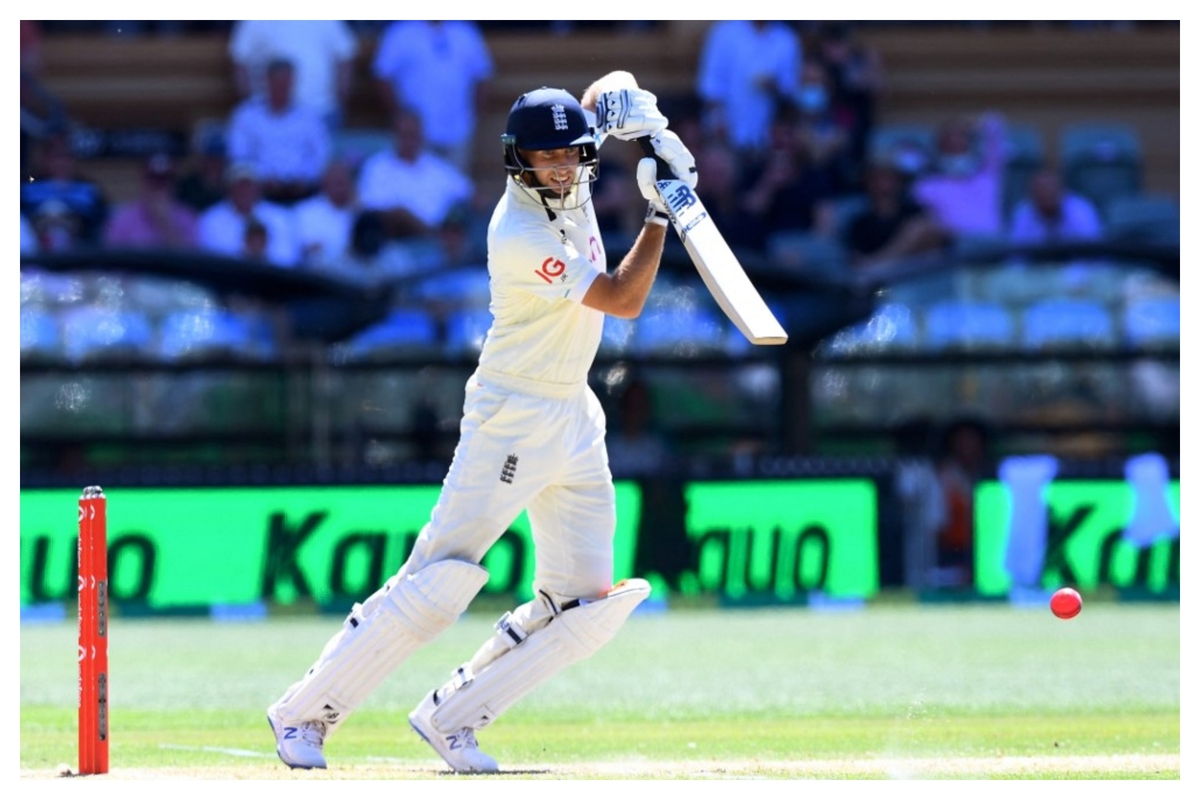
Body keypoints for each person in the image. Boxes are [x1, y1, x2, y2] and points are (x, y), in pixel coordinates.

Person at [267, 71, 689, 773]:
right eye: (544, 160)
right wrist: (661, 212)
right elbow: (621, 299)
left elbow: (594, 100)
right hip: (512, 414)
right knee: (440, 580)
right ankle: (302, 716)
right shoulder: (519, 228)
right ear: (517, 163)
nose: (558, 170)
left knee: (584, 605)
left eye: (569, 157)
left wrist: (639, 120)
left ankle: (452, 719)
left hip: (575, 412)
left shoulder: (574, 170)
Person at [371, 20, 494, 173]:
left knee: (456, 189)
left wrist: (473, 117)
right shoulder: (400, 32)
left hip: (458, 131)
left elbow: (483, 75)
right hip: (416, 135)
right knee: (420, 188)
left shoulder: (465, 32)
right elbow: (382, 75)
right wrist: (400, 119)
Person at [356, 107, 476, 241]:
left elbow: (470, 195)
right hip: (391, 237)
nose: (408, 141)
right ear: (394, 135)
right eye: (404, 135)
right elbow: (370, 209)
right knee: (399, 214)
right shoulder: (376, 166)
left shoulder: (439, 168)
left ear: (421, 137)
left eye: (412, 135)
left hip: (437, 239)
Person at [226, 57, 332, 205]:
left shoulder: (310, 117)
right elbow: (239, 156)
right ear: (266, 82)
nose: (282, 87)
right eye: (277, 82)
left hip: (305, 194)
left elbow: (320, 157)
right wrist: (263, 177)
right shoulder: (246, 116)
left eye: (286, 82)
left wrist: (304, 177)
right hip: (259, 196)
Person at [694, 20, 803, 160]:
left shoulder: (786, 38)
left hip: (768, 139)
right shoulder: (724, 33)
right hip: (725, 134)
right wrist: (717, 121)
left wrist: (774, 86)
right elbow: (710, 87)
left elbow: (791, 89)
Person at [228, 20, 358, 131]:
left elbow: (345, 55)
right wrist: (253, 107)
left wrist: (339, 101)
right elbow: (240, 60)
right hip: (270, 117)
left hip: (320, 111)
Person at [912, 111, 1007, 241]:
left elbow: (995, 125)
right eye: (949, 139)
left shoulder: (987, 176)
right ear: (939, 146)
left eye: (961, 137)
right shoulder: (927, 186)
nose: (955, 142)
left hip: (993, 248)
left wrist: (967, 122)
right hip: (954, 250)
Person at [197, 162, 300, 267]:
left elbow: (288, 258)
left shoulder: (280, 218)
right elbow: (209, 260)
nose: (244, 191)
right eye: (239, 186)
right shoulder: (210, 220)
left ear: (259, 188)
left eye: (249, 186)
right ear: (228, 188)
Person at [104, 153, 198, 249]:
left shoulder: (187, 218)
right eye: (153, 179)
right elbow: (112, 258)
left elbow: (190, 259)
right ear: (143, 180)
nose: (158, 186)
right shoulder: (124, 219)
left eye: (164, 180)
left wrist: (165, 222)